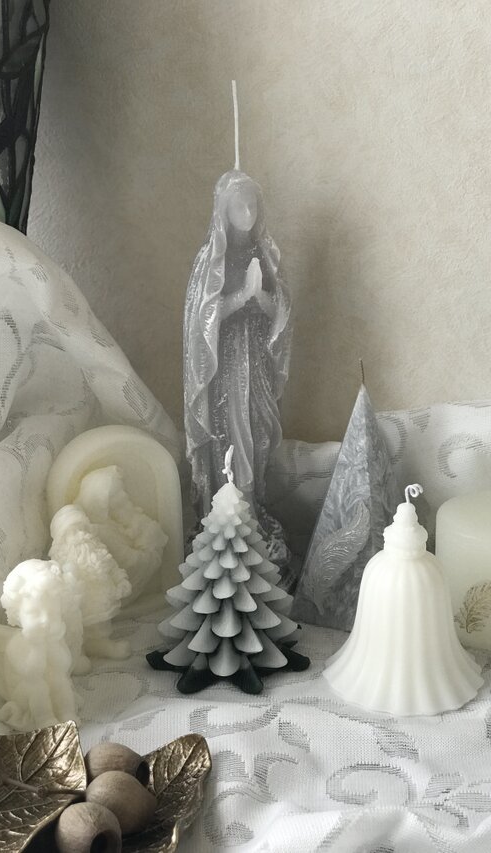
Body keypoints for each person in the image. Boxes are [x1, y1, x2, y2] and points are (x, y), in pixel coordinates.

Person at [184, 170, 292, 571]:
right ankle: (232, 509)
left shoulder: (266, 254)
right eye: (238, 206)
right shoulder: (212, 259)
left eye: (252, 205)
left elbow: (280, 311)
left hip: (257, 361)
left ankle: (253, 506)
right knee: (232, 432)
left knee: (258, 432)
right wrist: (240, 295)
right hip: (225, 366)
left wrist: (259, 296)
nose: (247, 213)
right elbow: (201, 319)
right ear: (223, 212)